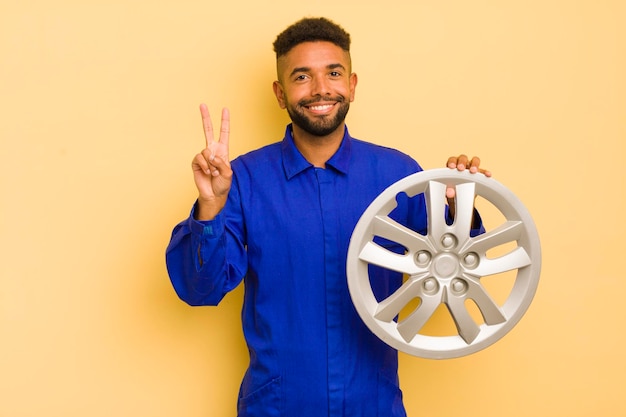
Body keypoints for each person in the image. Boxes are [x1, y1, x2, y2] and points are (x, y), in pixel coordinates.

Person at [166, 17, 491, 417]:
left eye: (333, 73)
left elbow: (457, 271)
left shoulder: (398, 176)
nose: (321, 89)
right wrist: (211, 206)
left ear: (351, 84)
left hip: (373, 404)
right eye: (301, 76)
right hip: (277, 405)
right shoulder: (244, 179)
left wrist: (460, 208)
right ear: (280, 94)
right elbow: (201, 290)